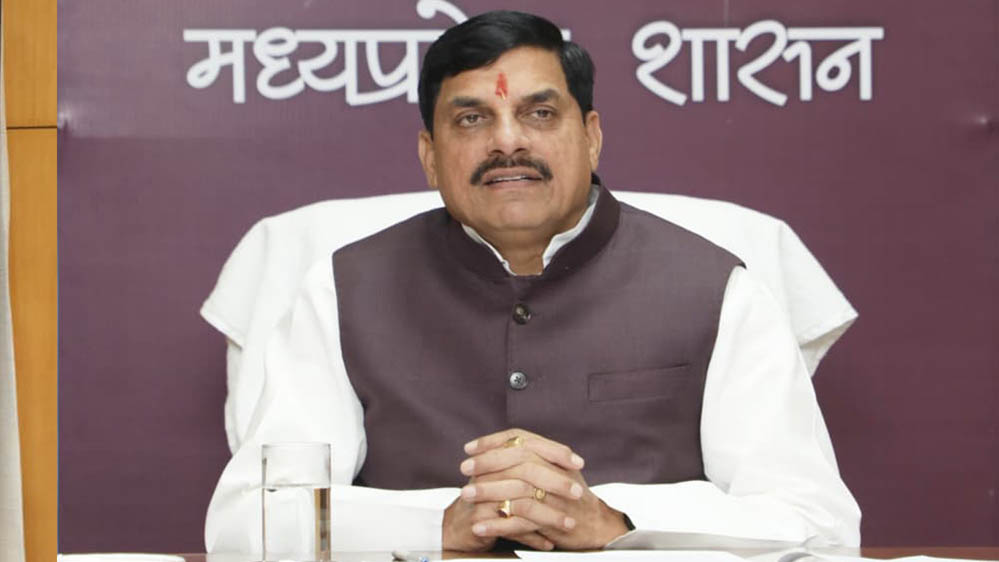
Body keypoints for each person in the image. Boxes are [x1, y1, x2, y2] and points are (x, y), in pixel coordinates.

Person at [204, 10, 860, 553]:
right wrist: (442, 524)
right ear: (429, 156)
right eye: (471, 119)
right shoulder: (344, 290)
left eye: (540, 113)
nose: (507, 142)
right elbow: (249, 522)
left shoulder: (713, 288)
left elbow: (818, 525)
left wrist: (613, 520)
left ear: (591, 137)